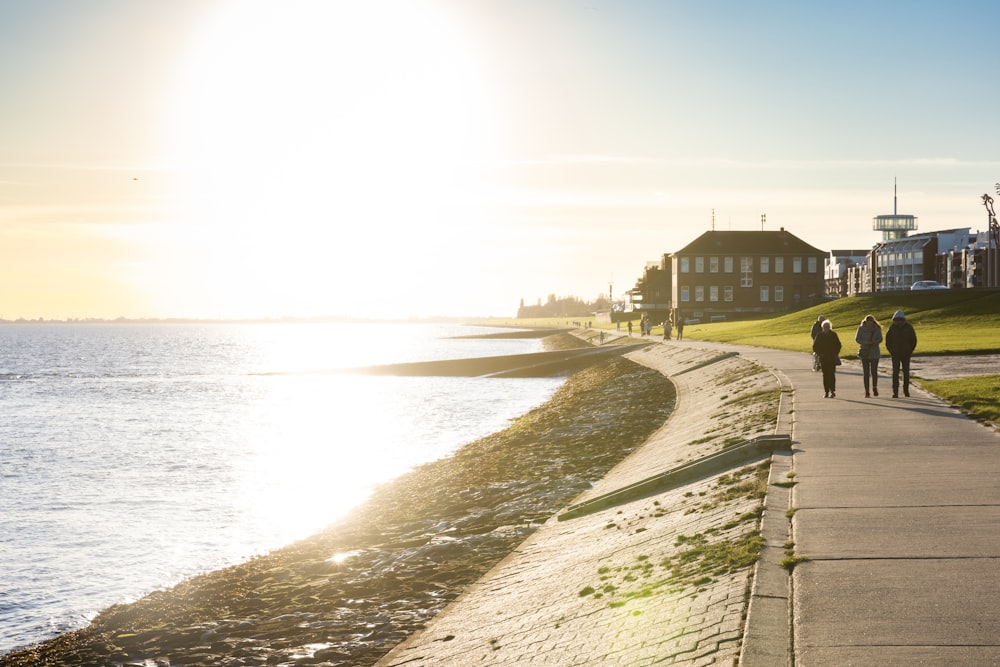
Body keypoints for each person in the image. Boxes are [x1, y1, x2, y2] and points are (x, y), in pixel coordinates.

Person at [885, 310, 917, 398]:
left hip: (905, 353)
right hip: (896, 353)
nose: (898, 322)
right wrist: (891, 351)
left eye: (900, 320)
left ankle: (904, 391)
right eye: (897, 320)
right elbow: (888, 341)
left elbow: (913, 340)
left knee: (904, 372)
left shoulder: (907, 328)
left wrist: (910, 350)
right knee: (897, 372)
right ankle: (897, 392)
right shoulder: (892, 328)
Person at [812, 319, 842, 398]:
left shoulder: (833, 335)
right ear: (822, 327)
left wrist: (836, 353)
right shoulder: (820, 335)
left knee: (832, 374)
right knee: (825, 375)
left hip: (832, 357)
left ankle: (832, 390)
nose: (826, 328)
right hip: (823, 358)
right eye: (825, 327)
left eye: (828, 327)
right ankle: (826, 391)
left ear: (830, 327)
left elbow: (838, 345)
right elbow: (815, 346)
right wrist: (820, 354)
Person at [854, 314, 883, 397]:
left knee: (874, 372)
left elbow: (880, 339)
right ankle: (866, 391)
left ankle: (874, 387)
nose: (869, 325)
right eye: (868, 323)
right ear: (865, 322)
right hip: (865, 353)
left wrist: (874, 342)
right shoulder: (861, 328)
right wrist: (865, 342)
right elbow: (857, 339)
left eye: (871, 323)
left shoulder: (877, 329)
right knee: (866, 373)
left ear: (873, 322)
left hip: (874, 353)